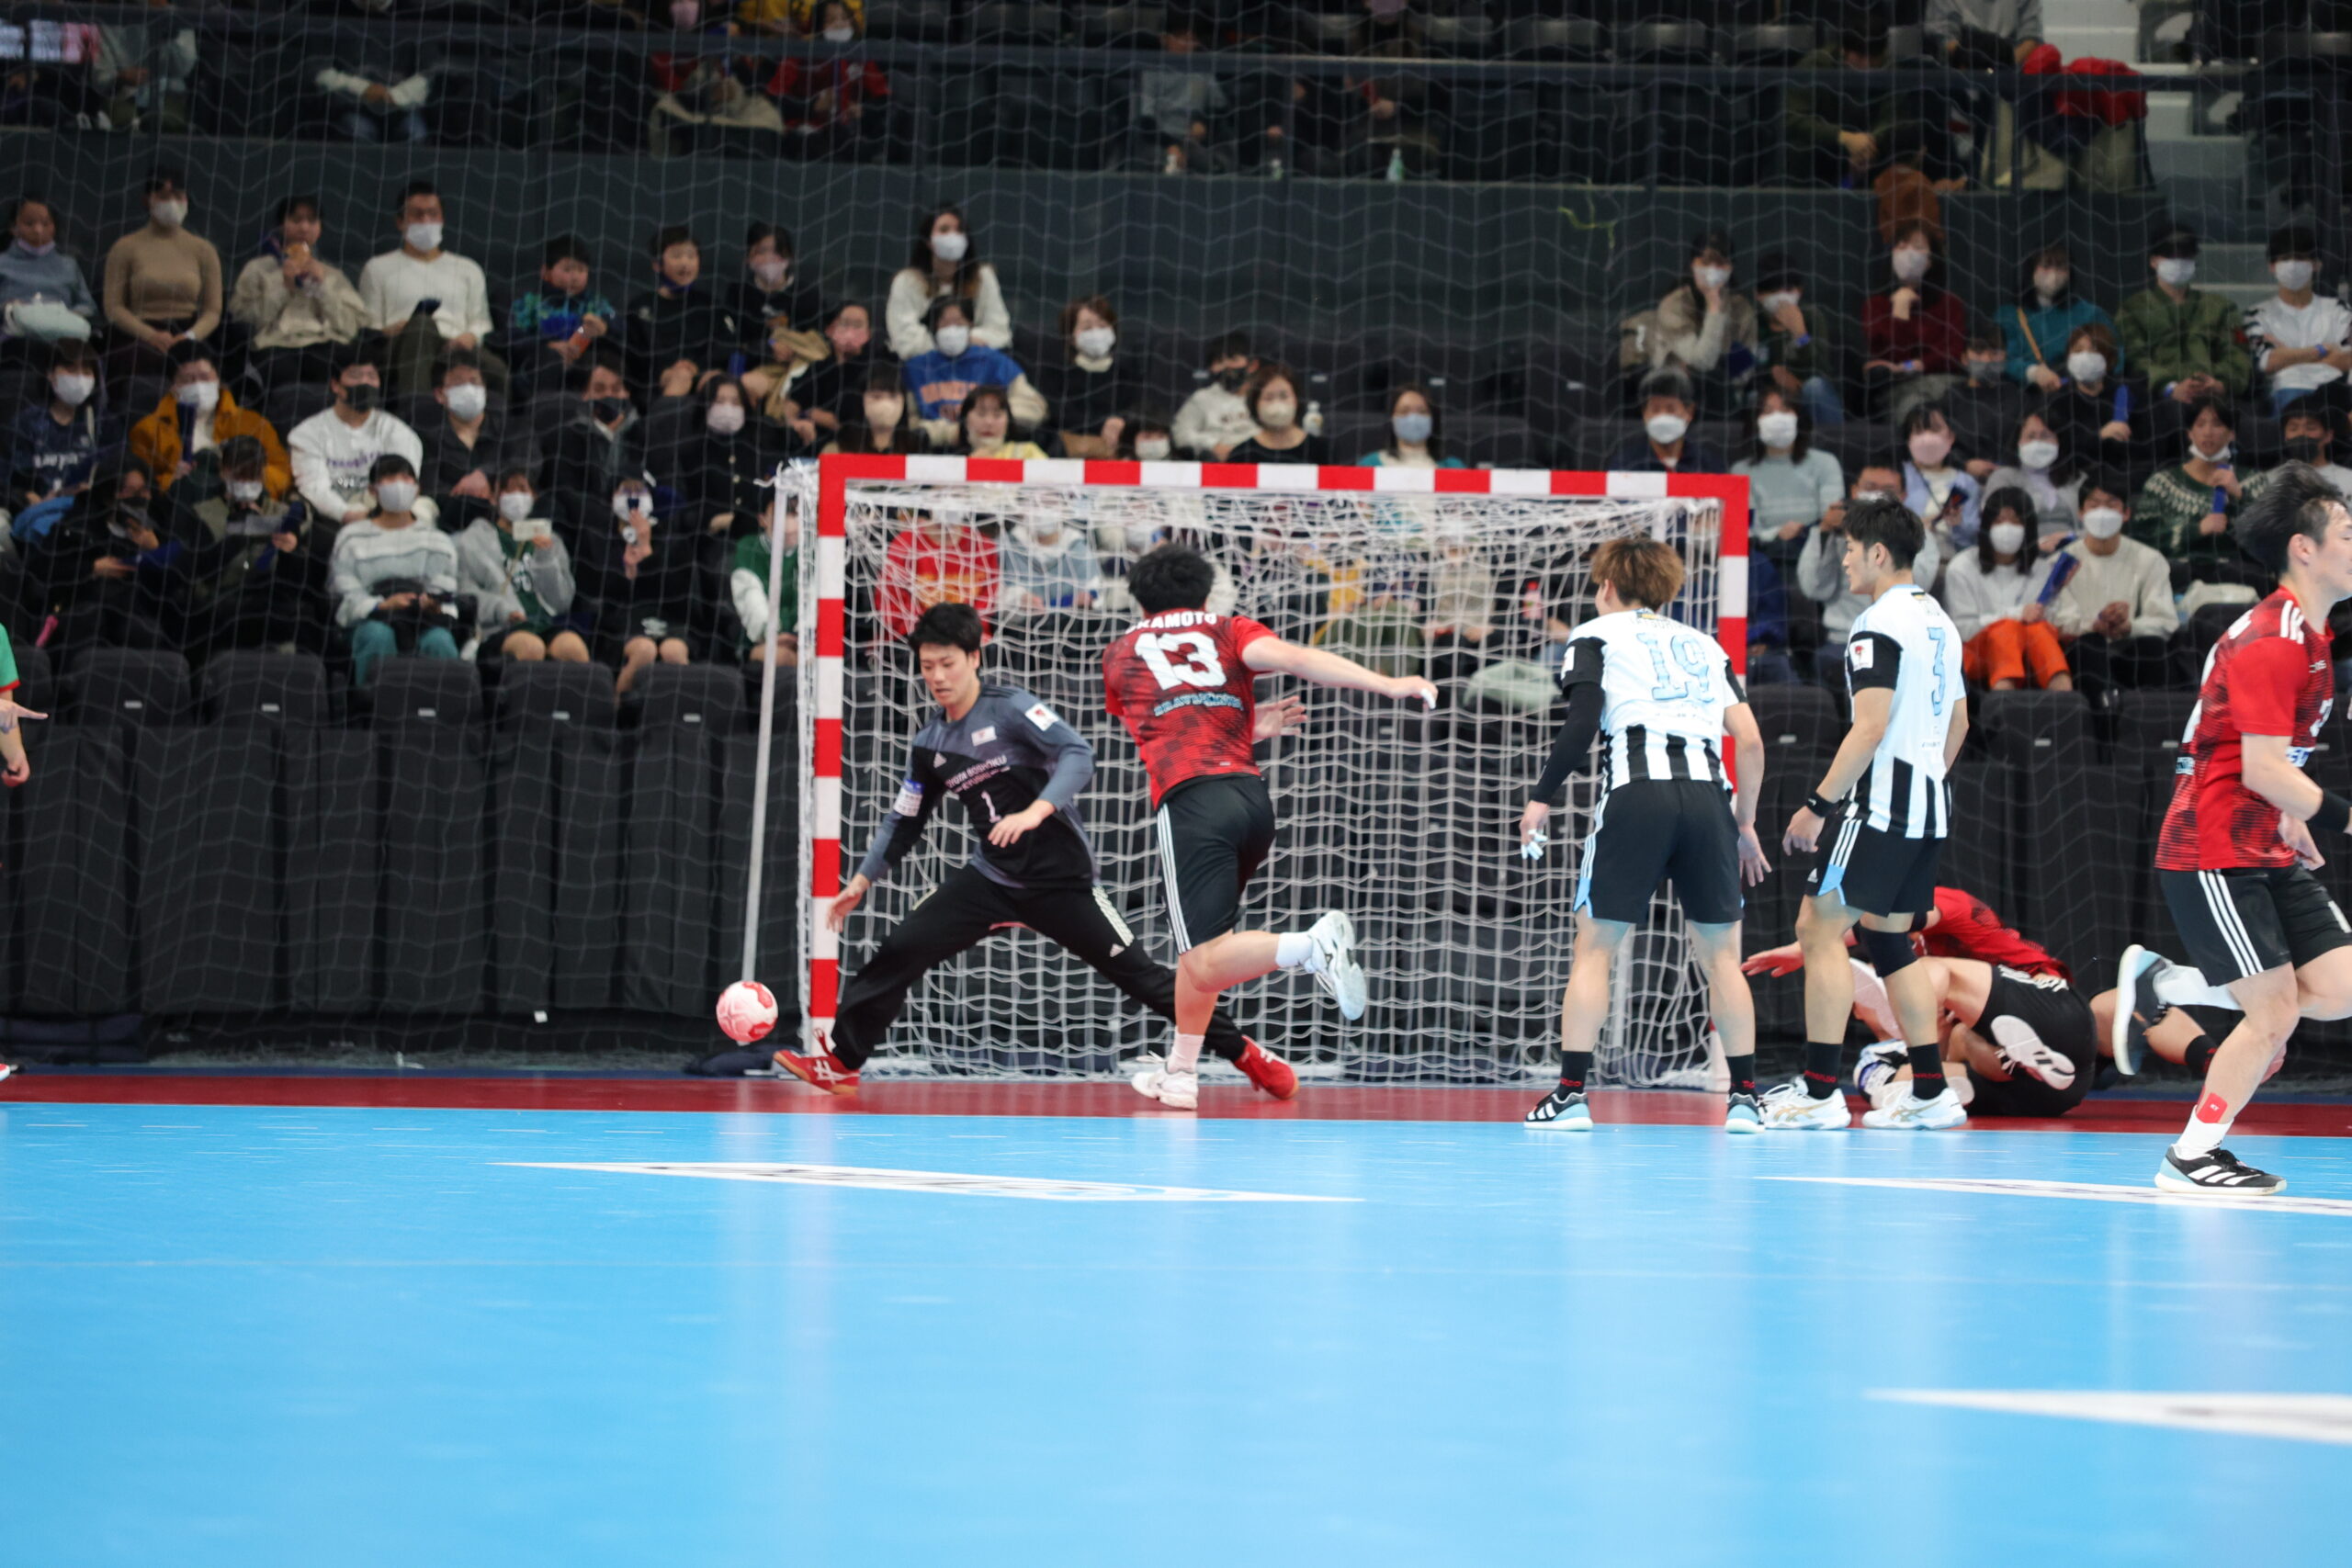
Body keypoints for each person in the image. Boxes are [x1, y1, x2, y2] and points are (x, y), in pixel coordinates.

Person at [774, 600, 1299, 1100]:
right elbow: (905, 818)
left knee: (1146, 978)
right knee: (900, 948)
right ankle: (842, 1062)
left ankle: (1244, 1052)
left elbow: (1077, 753)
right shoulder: (930, 743)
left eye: (947, 663)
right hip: (991, 880)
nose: (937, 676)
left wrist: (1035, 811)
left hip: (1063, 883)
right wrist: (862, 880)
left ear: (974, 658)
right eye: (927, 666)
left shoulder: (1011, 709)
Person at [1102, 543, 1437, 1109]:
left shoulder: (1120, 652)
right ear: (1205, 594)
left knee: (1204, 958)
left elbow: (1166, 725)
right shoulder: (1228, 628)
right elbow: (1297, 659)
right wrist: (1387, 684)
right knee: (1200, 953)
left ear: (1138, 600)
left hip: (1192, 802)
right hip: (1250, 799)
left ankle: (1309, 946)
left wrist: (1237, 724)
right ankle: (1181, 1072)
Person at [2109, 465, 2352, 1194]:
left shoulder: (2311, 635)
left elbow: (2269, 757)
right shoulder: (2274, 637)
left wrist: (2291, 815)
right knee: (2273, 1015)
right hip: (2212, 845)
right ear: (2304, 547)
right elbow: (2261, 766)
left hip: (2261, 839)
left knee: (2339, 987)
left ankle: (2169, 982)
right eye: (2347, 532)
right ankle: (2192, 1154)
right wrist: (2338, 814)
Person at [1516, 537, 1771, 1133]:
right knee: (1722, 958)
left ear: (1606, 585)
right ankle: (1746, 1100)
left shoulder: (1593, 634)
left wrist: (1541, 796)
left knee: (1595, 949)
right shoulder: (1706, 644)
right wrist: (1744, 822)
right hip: (1709, 799)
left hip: (1637, 793)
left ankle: (1570, 1096)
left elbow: (1582, 723)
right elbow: (1752, 740)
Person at [1770, 496, 1971, 1130]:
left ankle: (1819, 1093)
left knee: (1818, 928)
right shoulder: (1940, 621)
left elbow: (1870, 727)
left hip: (1881, 805)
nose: (1845, 561)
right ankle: (1931, 1091)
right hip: (1929, 806)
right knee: (1888, 939)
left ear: (1879, 552)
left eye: (1851, 549)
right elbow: (1960, 724)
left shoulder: (1877, 623)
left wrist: (1817, 805)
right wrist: (1924, 780)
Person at [174, 434, 330, 660]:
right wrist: (239, 535)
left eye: (253, 475)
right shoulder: (203, 513)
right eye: (240, 475)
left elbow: (297, 584)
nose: (246, 482)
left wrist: (291, 552)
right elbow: (199, 570)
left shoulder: (282, 514)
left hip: (271, 603)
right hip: (219, 604)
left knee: (301, 616)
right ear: (224, 471)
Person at [1796, 463, 1940, 683]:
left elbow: (1918, 585)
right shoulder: (1834, 533)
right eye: (1870, 488)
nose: (1878, 496)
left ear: (1903, 495)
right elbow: (1813, 588)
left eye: (1888, 491)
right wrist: (1825, 532)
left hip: (1901, 640)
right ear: (1854, 491)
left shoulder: (1920, 536)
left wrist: (1886, 535)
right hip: (1843, 640)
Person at [328, 454, 462, 687]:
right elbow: (344, 592)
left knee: (440, 641)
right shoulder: (351, 538)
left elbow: (445, 591)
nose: (399, 485)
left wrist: (432, 604)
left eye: (406, 478)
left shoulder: (438, 540)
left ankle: (443, 707)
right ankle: (372, 703)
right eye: (390, 479)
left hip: (422, 621)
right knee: (378, 635)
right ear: (373, 490)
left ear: (418, 489)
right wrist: (381, 605)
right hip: (371, 620)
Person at [356, 182, 500, 400]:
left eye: (433, 214)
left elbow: (481, 321)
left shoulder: (468, 268)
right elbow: (368, 324)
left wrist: (469, 336)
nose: (425, 221)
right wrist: (389, 330)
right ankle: (417, 408)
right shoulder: (377, 268)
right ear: (400, 222)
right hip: (401, 346)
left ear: (442, 219)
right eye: (417, 214)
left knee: (497, 370)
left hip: (457, 346)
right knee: (422, 325)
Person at [571, 477, 715, 693]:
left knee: (674, 651)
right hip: (620, 621)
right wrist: (627, 574)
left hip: (669, 618)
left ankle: (682, 708)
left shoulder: (673, 541)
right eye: (626, 492)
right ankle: (616, 706)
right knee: (644, 650)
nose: (633, 499)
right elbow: (595, 593)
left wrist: (648, 555)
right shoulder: (599, 539)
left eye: (639, 492)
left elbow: (681, 597)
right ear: (613, 498)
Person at [2047, 471, 2180, 694]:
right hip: (2081, 651)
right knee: (2090, 645)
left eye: (2111, 505)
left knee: (2152, 646)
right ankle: (2102, 709)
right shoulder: (2060, 563)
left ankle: (2153, 710)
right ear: (2081, 513)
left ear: (2126, 513)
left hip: (2129, 647)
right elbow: (2056, 620)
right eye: (2094, 505)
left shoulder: (2150, 559)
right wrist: (2094, 626)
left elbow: (2165, 621)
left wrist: (2130, 627)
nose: (2102, 513)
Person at [227, 195, 368, 393]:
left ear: (320, 228)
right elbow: (243, 319)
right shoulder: (258, 269)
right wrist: (284, 286)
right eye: (296, 220)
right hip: (275, 344)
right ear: (281, 225)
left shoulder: (333, 274)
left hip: (324, 343)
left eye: (312, 221)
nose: (304, 227)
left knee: (336, 374)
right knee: (284, 381)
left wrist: (322, 288)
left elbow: (350, 328)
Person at [1939, 485, 2072, 690]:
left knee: (2039, 630)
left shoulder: (2042, 569)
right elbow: (1962, 629)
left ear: (2028, 528)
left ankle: (2063, 693)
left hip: (2031, 653)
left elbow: (2054, 620)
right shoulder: (1961, 567)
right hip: (1976, 655)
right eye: (1999, 521)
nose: (2007, 528)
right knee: (2007, 629)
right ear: (1986, 525)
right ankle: (2003, 694)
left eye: (2016, 522)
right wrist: (2016, 615)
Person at [455, 468, 588, 665]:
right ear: (494, 497)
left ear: (534, 497)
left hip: (544, 624)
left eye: (523, 490)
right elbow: (465, 592)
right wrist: (501, 610)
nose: (516, 497)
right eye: (508, 490)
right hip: (499, 627)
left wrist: (545, 558)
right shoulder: (473, 541)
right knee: (531, 647)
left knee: (573, 648)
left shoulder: (550, 541)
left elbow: (561, 602)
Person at [128, 340, 289, 500]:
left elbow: (283, 475)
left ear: (217, 377)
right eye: (188, 379)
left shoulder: (253, 423)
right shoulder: (148, 430)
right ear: (172, 386)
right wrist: (173, 479)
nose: (198, 385)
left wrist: (250, 473)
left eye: (205, 377)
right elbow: (142, 486)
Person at [2133, 394, 2265, 588]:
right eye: (2200, 424)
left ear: (2232, 434)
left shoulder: (2254, 481)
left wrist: (2240, 496)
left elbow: (2269, 541)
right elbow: (2143, 540)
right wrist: (2196, 530)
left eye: (2217, 424)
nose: (2208, 432)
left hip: (2238, 577)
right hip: (2178, 576)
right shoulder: (2162, 483)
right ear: (2190, 433)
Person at [286, 344, 424, 528]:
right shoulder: (307, 434)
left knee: (424, 510)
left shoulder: (398, 432)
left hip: (389, 512)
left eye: (372, 376)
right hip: (334, 518)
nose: (365, 382)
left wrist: (378, 517)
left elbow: (404, 485)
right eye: (356, 376)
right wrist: (347, 514)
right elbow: (315, 488)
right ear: (336, 385)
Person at [101, 169, 221, 378]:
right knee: (134, 360)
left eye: (178, 196)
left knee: (201, 367)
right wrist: (150, 335)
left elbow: (213, 310)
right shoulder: (124, 247)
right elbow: (113, 307)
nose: (172, 203)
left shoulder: (204, 250)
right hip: (140, 332)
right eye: (164, 197)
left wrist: (189, 336)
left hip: (189, 332)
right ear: (147, 199)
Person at [2117, 224, 2252, 404]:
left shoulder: (2222, 308)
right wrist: (2170, 387)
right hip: (2157, 400)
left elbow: (2237, 353)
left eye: (2185, 256)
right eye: (2171, 256)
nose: (2179, 263)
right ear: (2153, 261)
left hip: (2215, 397)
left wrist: (2220, 383)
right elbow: (2134, 358)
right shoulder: (2133, 309)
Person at [622, 224, 742, 402]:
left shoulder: (711, 305)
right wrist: (664, 372)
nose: (685, 263)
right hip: (656, 386)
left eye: (691, 256)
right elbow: (633, 355)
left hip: (704, 381)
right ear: (657, 264)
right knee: (679, 378)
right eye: (677, 256)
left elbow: (727, 345)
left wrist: (696, 368)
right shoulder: (640, 307)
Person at [419, 349, 536, 532]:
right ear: (440, 394)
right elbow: (431, 488)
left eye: (474, 381)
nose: (469, 389)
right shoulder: (428, 438)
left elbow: (528, 460)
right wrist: (468, 494)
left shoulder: (511, 428)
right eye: (458, 382)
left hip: (510, 513)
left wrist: (485, 476)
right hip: (456, 521)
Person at [1865, 220, 1968, 423]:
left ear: (1930, 260)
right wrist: (1900, 313)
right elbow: (1887, 358)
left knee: (1963, 410)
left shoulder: (1950, 304)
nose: (1907, 252)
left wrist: (1917, 364)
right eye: (1901, 246)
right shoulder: (1876, 305)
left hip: (1947, 384)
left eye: (1917, 246)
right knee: (1918, 413)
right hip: (1901, 390)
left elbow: (1954, 353)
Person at [2244, 227, 2352, 417]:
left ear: (2316, 264)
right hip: (2284, 393)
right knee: (2292, 391)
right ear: (2272, 266)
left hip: (2333, 393)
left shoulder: (2339, 309)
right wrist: (2324, 349)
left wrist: (2288, 355)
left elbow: (2347, 359)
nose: (2293, 265)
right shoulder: (2256, 314)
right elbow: (2267, 362)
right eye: (2285, 259)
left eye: (2301, 258)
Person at [903, 298, 1045, 443]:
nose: (952, 330)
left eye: (959, 323)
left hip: (991, 444)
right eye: (945, 323)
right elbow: (909, 418)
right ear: (933, 328)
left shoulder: (995, 362)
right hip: (933, 446)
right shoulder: (916, 367)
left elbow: (1034, 407)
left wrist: (992, 418)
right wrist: (945, 431)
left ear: (970, 325)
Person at [1651, 228, 1758, 416]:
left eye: (1721, 263)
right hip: (1677, 392)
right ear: (1692, 264)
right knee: (1704, 377)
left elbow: (1747, 367)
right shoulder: (1674, 305)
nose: (1713, 269)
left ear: (1731, 268)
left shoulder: (1741, 308)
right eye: (1706, 262)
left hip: (1727, 394)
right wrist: (1714, 307)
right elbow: (1702, 362)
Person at [885, 206, 1011, 361]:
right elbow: (904, 339)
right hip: (922, 365)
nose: (953, 235)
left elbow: (1000, 332)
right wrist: (945, 342)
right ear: (928, 241)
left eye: (959, 230)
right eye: (944, 230)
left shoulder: (983, 277)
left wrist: (962, 341)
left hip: (975, 362)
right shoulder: (906, 281)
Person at [499, 235, 615, 401]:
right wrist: (548, 345)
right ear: (545, 272)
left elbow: (618, 325)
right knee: (549, 358)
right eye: (568, 270)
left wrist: (605, 327)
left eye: (582, 270)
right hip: (539, 366)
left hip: (582, 364)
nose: (575, 277)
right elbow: (510, 337)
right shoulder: (529, 303)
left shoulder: (595, 304)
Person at [544, 355, 648, 541]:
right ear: (585, 395)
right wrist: (615, 523)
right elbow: (569, 496)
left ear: (627, 393)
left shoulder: (645, 434)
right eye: (599, 390)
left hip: (643, 528)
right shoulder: (565, 438)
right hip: (588, 535)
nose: (609, 395)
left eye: (616, 389)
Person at [7, 340, 119, 507]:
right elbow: (11, 478)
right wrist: (30, 499)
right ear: (50, 374)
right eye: (71, 370)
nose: (79, 378)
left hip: (87, 510)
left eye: (87, 372)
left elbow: (116, 471)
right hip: (37, 510)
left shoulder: (104, 423)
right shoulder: (27, 422)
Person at [665, 375, 779, 535]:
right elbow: (682, 510)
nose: (728, 409)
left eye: (735, 402)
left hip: (757, 534)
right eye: (719, 401)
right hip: (710, 539)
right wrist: (711, 520)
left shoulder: (760, 448)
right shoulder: (690, 453)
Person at [2003, 244, 2119, 394]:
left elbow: (2117, 353)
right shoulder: (2009, 315)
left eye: (2061, 267)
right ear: (2031, 270)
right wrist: (2032, 372)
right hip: (2025, 395)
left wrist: (2093, 374)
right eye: (2046, 266)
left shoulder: (2090, 313)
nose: (2054, 273)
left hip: (2084, 393)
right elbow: (2001, 358)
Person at [877, 501, 997, 639]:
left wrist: (966, 629)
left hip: (969, 635)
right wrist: (927, 631)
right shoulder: (905, 543)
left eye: (955, 497)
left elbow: (987, 599)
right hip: (914, 635)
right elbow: (890, 599)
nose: (948, 501)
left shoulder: (984, 547)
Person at [1751, 253, 1845, 429]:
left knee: (1815, 387)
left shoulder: (1811, 316)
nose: (1781, 297)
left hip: (1806, 393)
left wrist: (1800, 334)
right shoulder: (1754, 322)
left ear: (1799, 291)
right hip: (1771, 397)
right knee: (1752, 397)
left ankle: (1834, 441)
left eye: (1787, 290)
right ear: (1758, 294)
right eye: (1773, 291)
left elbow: (1823, 369)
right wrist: (1773, 376)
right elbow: (1749, 372)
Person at [1035, 296, 1134, 460]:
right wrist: (1103, 424)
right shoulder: (1055, 375)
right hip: (1066, 458)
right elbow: (1060, 414)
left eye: (1102, 325)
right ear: (1071, 337)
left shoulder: (1127, 375)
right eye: (1087, 327)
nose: (1096, 333)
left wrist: (1121, 422)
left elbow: (1138, 410)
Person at [0, 197, 97, 350]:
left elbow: (88, 306)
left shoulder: (68, 265)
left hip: (63, 340)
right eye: (29, 223)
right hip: (13, 341)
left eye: (45, 224)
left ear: (54, 227)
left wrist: (66, 315)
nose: (38, 230)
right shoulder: (2, 263)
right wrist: (7, 309)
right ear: (14, 227)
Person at [775, 301, 879, 444]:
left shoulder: (875, 370)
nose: (850, 332)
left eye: (857, 325)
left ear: (869, 333)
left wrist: (826, 420)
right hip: (810, 440)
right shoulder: (819, 367)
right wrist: (798, 422)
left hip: (852, 443)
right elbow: (793, 402)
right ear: (831, 330)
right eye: (845, 324)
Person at [1977, 410, 2081, 537]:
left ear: (2059, 441)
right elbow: (1994, 525)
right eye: (2030, 436)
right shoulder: (2003, 478)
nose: (2037, 443)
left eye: (2045, 436)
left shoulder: (2076, 478)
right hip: (2023, 547)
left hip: (2073, 546)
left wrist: (2069, 537)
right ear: (2018, 441)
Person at [1605, 368, 1724, 476]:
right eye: (1655, 409)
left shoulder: (1708, 465)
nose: (1662, 416)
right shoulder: (1625, 465)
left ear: (1689, 412)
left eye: (1671, 409)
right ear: (1644, 413)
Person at [1900, 402, 1981, 550]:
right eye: (1919, 431)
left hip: (1953, 557)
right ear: (1908, 440)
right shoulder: (1898, 474)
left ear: (1951, 436)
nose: (1927, 437)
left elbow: (1973, 538)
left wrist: (1958, 524)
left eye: (1935, 429)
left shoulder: (1966, 482)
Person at [732, 490, 797, 667]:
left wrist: (799, 635)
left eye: (794, 514)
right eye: (781, 514)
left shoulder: (812, 550)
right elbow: (751, 599)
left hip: (802, 640)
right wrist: (772, 633)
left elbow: (813, 601)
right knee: (780, 657)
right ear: (763, 519)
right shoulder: (748, 548)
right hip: (759, 641)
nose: (789, 524)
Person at [1000, 498, 1097, 614]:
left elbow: (1096, 593)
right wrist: (1018, 598)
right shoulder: (1007, 546)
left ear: (1064, 508)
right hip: (1021, 620)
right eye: (1035, 504)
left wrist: (1085, 599)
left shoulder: (1079, 549)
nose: (1042, 511)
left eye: (1049, 504)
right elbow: (997, 592)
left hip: (1071, 620)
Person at [732, 222, 823, 345]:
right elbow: (734, 338)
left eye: (777, 251)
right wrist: (771, 346)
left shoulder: (808, 294)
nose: (769, 258)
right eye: (761, 251)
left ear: (789, 256)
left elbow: (816, 337)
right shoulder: (738, 293)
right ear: (748, 257)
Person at [1172, 331, 1258, 460]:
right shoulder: (1202, 398)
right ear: (1211, 368)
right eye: (1219, 361)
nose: (1226, 366)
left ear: (1252, 365)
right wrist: (1213, 445)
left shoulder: (1266, 397)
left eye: (1233, 359)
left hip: (1262, 463)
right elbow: (1181, 434)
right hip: (1218, 466)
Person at [1224, 363, 1329, 467]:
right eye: (1268, 398)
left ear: (1297, 400)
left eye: (1284, 396)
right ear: (1255, 405)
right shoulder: (1241, 455)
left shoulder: (1322, 451)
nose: (1277, 404)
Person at [821, 365, 920, 456]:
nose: (886, 405)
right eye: (876, 397)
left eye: (893, 396)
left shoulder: (916, 450)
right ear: (861, 401)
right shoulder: (836, 451)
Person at [1358, 384, 1463, 470]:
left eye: (1422, 412)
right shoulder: (1369, 465)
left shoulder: (1453, 467)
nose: (1413, 418)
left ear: (1433, 418)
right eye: (1404, 411)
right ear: (1392, 419)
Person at [954, 384, 1046, 461]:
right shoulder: (953, 461)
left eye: (997, 415)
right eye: (981, 414)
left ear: (1008, 421)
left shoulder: (1028, 453)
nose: (989, 422)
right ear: (965, 421)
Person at [2278, 400, 2352, 496]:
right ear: (2285, 436)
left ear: (2328, 435)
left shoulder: (2348, 479)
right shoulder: (2271, 479)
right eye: (2293, 429)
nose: (2301, 433)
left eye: (2310, 428)